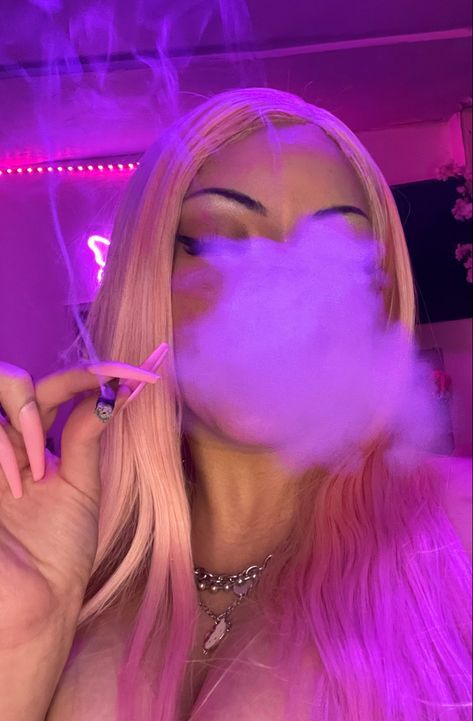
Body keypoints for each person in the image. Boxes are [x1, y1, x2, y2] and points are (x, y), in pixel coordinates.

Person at [0, 87, 471, 721]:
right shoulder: (69, 565)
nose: (285, 286)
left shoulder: (457, 534)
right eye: (216, 240)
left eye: (335, 248)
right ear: (145, 279)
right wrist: (20, 643)